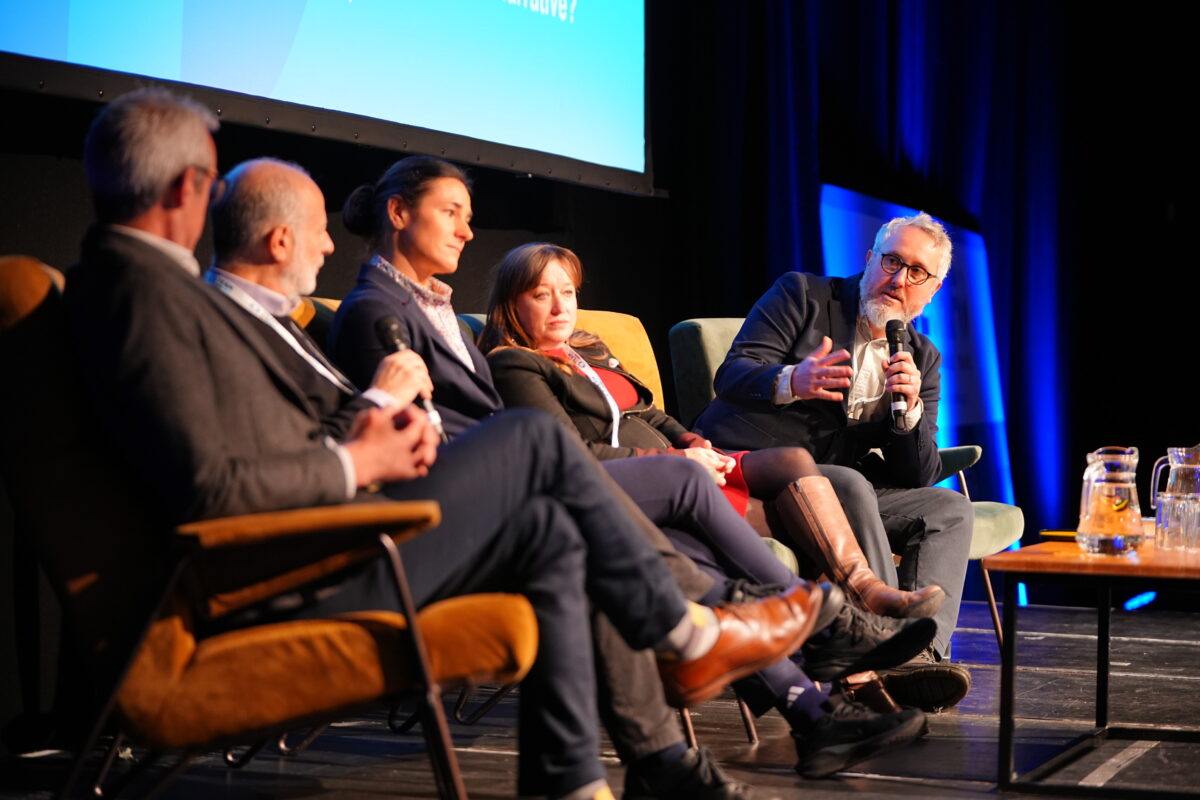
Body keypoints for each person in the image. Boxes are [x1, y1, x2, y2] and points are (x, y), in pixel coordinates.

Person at [63, 88, 829, 800]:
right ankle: (689, 627)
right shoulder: (139, 292)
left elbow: (255, 435)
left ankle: (612, 771)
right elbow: (209, 488)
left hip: (332, 540)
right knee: (529, 435)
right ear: (183, 190)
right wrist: (358, 457)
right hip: (301, 572)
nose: (330, 246)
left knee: (552, 527)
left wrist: (373, 425)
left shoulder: (161, 292)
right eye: (211, 177)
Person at [327, 156, 942, 778]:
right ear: (399, 214)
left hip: (546, 489)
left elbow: (628, 412)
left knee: (687, 540)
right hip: (487, 504)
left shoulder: (448, 315)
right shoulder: (382, 313)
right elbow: (450, 435)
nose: (466, 231)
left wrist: (693, 439)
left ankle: (811, 713)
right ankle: (821, 620)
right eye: (451, 213)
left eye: (568, 292)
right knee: (689, 480)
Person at [479, 241, 943, 622]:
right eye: (542, 295)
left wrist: (690, 441)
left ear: (935, 288)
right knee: (822, 496)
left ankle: (862, 602)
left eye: (569, 293)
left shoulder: (587, 349)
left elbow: (651, 414)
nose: (561, 308)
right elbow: (568, 456)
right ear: (512, 302)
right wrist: (789, 382)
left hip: (692, 463)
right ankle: (851, 624)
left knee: (817, 474)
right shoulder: (517, 363)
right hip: (649, 481)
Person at [692, 213, 975, 711]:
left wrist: (906, 415)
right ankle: (885, 645)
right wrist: (790, 380)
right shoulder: (803, 295)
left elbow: (918, 472)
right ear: (869, 260)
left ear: (931, 291)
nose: (899, 279)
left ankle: (922, 654)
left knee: (947, 509)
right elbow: (732, 375)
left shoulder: (923, 358)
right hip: (756, 469)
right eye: (892, 261)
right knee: (849, 481)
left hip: (840, 487)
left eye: (916, 273)